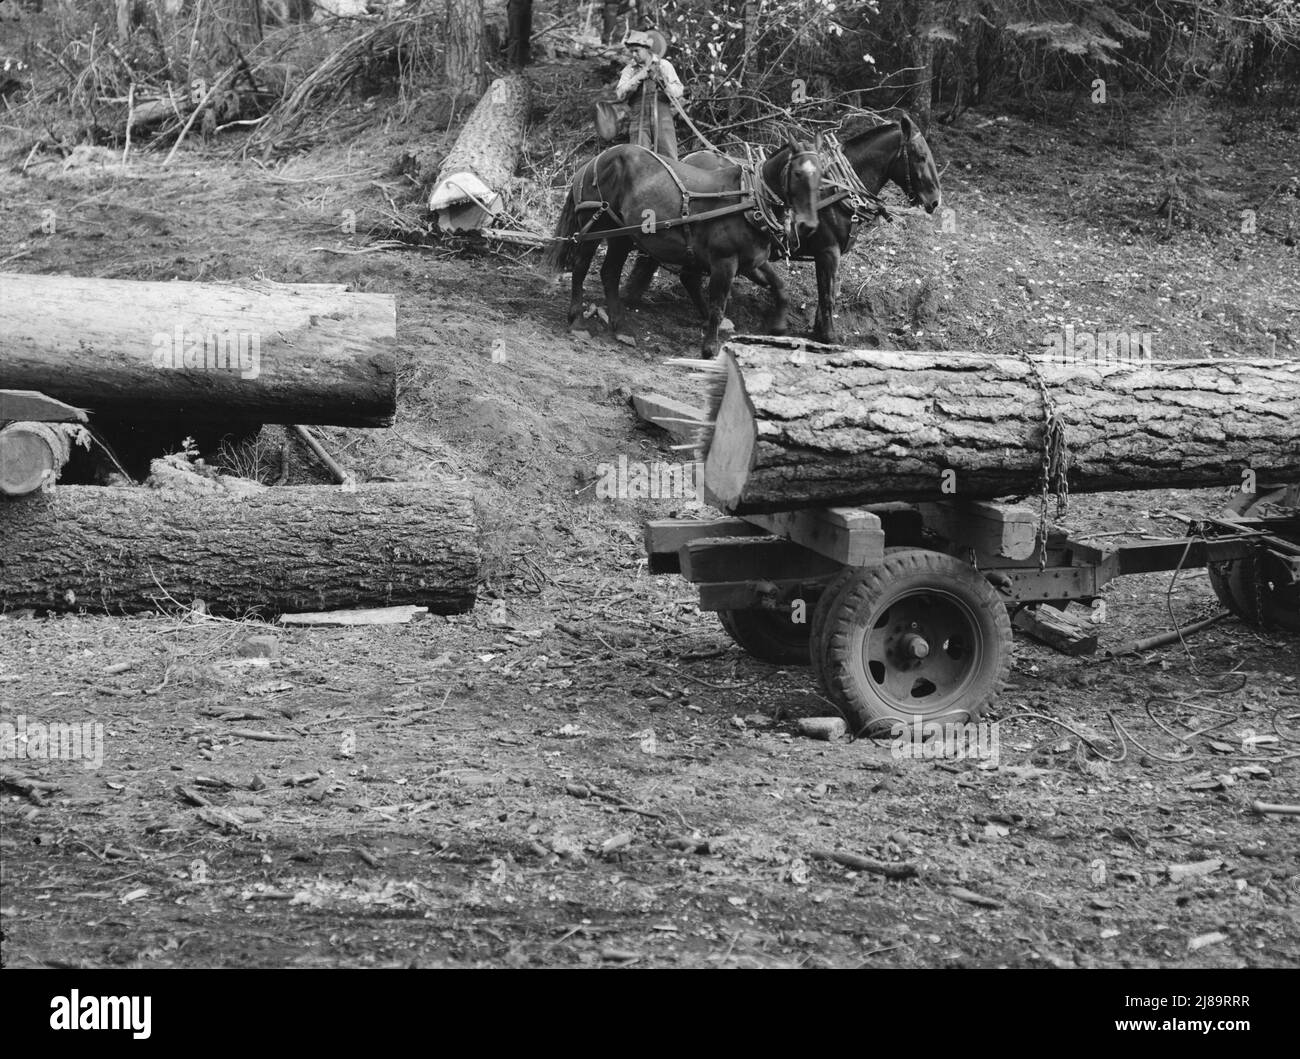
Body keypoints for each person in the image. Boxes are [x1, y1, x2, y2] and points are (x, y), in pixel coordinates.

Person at [615, 30, 684, 159]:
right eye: (632, 51)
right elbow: (620, 94)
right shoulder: (630, 70)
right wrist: (638, 77)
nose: (634, 55)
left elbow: (679, 91)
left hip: (662, 118)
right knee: (638, 158)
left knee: (669, 157)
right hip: (639, 120)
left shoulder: (664, 65)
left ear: (647, 49)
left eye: (637, 51)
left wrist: (665, 84)